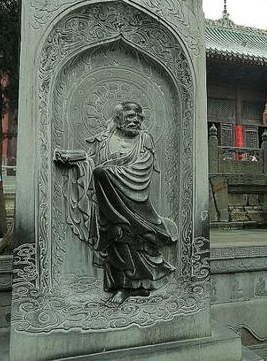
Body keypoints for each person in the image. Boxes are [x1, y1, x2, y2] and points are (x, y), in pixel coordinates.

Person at [54, 101, 178, 305]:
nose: (135, 120)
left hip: (134, 198)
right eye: (130, 116)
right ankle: (122, 286)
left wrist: (109, 172)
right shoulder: (104, 139)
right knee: (116, 238)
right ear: (118, 119)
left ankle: (134, 287)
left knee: (133, 237)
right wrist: (71, 157)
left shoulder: (144, 139)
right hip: (107, 200)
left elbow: (143, 168)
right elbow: (92, 160)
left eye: (139, 117)